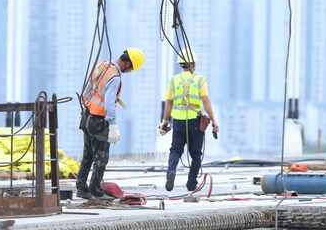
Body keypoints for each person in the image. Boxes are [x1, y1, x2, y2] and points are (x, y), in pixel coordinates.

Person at [76, 48, 145, 199]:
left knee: (87, 155)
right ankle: (95, 190)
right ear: (127, 63)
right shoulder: (115, 77)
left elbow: (90, 88)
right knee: (101, 157)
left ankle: (81, 188)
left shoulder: (103, 66)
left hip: (87, 115)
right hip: (99, 120)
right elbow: (108, 102)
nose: (130, 71)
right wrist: (112, 124)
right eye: (131, 68)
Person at [158, 49, 219, 192]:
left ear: (181, 64)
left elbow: (168, 102)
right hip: (194, 121)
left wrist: (165, 121)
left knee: (175, 150)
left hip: (178, 121)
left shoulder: (174, 80)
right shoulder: (200, 80)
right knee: (196, 154)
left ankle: (171, 171)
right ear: (193, 64)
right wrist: (213, 120)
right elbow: (205, 100)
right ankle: (191, 183)